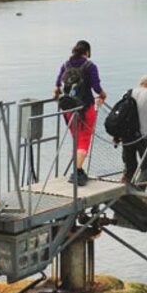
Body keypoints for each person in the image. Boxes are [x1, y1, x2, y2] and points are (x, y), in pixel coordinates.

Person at [53, 40, 106, 186]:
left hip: (68, 109)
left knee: (76, 139)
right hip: (85, 108)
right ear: (87, 52)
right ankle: (76, 172)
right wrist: (103, 95)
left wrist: (56, 94)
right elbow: (96, 87)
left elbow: (57, 85)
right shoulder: (90, 66)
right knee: (84, 140)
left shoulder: (65, 65)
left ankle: (79, 169)